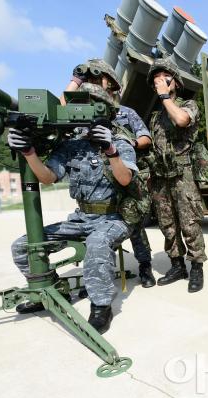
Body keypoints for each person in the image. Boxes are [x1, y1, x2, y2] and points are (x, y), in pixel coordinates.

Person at [8, 83, 138, 334]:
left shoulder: (119, 142)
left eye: (90, 106)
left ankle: (101, 306)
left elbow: (125, 179)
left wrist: (110, 150)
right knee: (22, 246)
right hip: (80, 217)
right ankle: (52, 290)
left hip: (114, 216)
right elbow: (47, 177)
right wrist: (28, 152)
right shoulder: (71, 146)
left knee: (98, 242)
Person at [62, 58, 156, 287]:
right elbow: (61, 108)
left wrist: (122, 145)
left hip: (125, 168)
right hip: (98, 175)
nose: (92, 82)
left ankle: (145, 265)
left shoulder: (125, 112)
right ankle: (103, 271)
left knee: (133, 221)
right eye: (89, 79)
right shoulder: (81, 111)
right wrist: (75, 81)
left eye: (97, 78)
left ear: (111, 83)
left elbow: (145, 138)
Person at [146, 58, 206, 293]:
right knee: (167, 223)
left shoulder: (188, 105)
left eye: (164, 77)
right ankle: (177, 265)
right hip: (161, 176)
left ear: (175, 83)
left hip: (183, 174)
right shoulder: (154, 116)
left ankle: (197, 267)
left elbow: (181, 120)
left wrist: (164, 97)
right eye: (155, 79)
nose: (159, 81)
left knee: (189, 222)